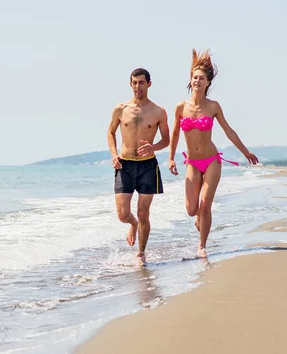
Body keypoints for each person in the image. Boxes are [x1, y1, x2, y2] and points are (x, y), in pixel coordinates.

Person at [169, 49, 258, 257]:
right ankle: (198, 217)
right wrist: (171, 158)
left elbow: (229, 131)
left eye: (201, 78)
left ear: (208, 83)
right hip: (192, 162)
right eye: (195, 78)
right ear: (190, 81)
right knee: (192, 209)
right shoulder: (181, 107)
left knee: (205, 205)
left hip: (211, 161)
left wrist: (245, 152)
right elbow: (174, 134)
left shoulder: (213, 107)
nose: (198, 81)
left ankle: (202, 247)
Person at [108, 68, 169, 261]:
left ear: (149, 84)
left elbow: (166, 139)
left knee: (143, 212)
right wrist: (114, 154)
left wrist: (154, 147)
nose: (137, 86)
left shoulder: (158, 111)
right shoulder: (120, 109)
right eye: (134, 82)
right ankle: (133, 225)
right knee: (123, 214)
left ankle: (141, 254)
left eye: (141, 82)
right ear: (130, 84)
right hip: (124, 165)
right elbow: (110, 133)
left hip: (147, 166)